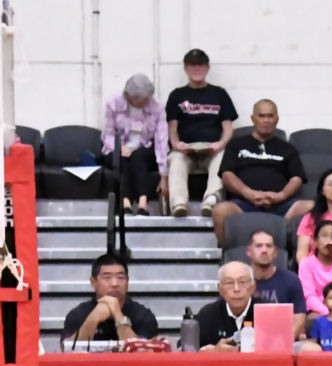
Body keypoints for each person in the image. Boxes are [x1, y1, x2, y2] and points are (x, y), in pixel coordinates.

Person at [211, 100, 307, 241]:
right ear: (253, 119)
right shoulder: (236, 144)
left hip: (281, 206)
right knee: (220, 211)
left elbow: (297, 178)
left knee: (311, 208)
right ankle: (228, 256)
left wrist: (280, 196)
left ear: (277, 119)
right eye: (261, 116)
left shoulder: (288, 149)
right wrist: (248, 193)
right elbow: (227, 174)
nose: (266, 120)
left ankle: (293, 254)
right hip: (243, 204)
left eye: (270, 116)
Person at [164, 48, 236, 218]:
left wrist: (221, 144)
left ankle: (211, 200)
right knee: (175, 159)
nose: (197, 69)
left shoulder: (219, 94)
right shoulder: (177, 95)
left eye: (201, 65)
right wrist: (175, 144)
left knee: (223, 157)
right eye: (192, 65)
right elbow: (172, 127)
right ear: (185, 68)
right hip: (185, 148)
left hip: (212, 148)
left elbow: (228, 127)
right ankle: (179, 203)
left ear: (207, 68)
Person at [101, 74, 168, 216]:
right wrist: (119, 147)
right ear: (128, 95)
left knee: (138, 157)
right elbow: (107, 134)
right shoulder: (113, 103)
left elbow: (162, 139)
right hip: (118, 147)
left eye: (144, 99)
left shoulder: (157, 106)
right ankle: (125, 203)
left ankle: (143, 204)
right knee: (124, 160)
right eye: (136, 99)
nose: (141, 102)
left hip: (145, 147)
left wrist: (164, 174)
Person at [61, 254, 159, 348]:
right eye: (107, 277)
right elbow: (69, 352)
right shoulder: (77, 315)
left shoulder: (143, 316)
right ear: (93, 282)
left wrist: (119, 316)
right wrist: (93, 319)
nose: (115, 283)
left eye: (121, 277)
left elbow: (144, 355)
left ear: (127, 281)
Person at [243, 227, 307, 336]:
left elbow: (299, 317)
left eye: (268, 246)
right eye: (259, 246)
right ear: (249, 251)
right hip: (248, 340)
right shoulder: (240, 281)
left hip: (284, 339)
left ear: (275, 252)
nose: (264, 250)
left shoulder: (291, 279)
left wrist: (284, 341)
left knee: (311, 349)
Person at [195, 262, 258, 350]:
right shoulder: (207, 314)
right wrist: (213, 353)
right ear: (220, 289)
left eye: (242, 282)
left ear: (253, 287)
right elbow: (186, 351)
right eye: (229, 283)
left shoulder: (268, 313)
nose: (236, 289)